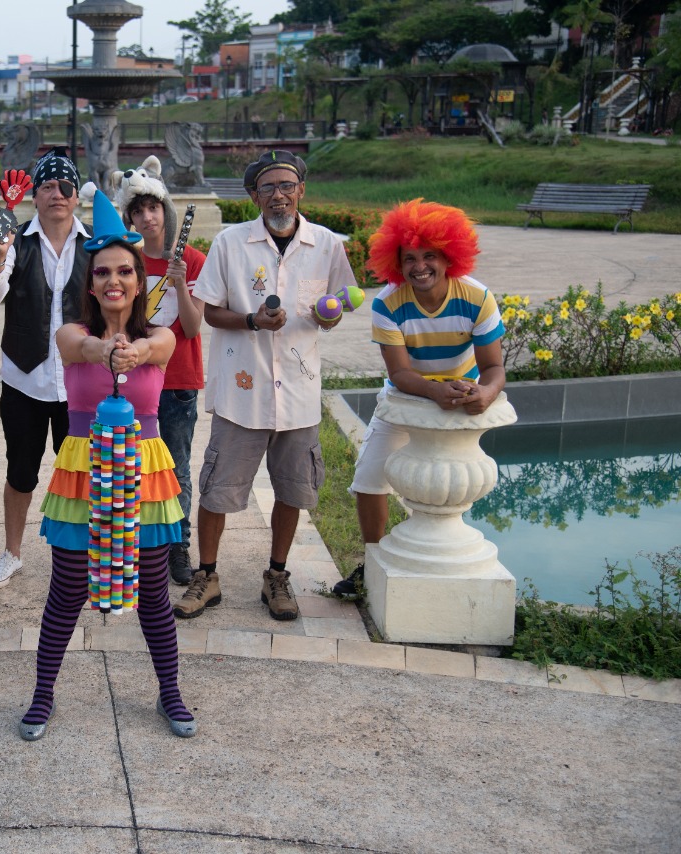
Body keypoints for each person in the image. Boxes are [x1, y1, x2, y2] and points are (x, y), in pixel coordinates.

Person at [19, 188, 195, 741]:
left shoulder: (159, 337)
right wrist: (107, 350)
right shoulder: (72, 334)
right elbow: (78, 347)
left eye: (124, 271)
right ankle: (42, 694)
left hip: (145, 473)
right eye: (102, 272)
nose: (113, 280)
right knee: (68, 588)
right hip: (85, 471)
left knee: (153, 590)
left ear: (140, 281)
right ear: (90, 283)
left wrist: (134, 351)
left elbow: (158, 348)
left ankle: (170, 692)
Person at [175, 150, 353, 622]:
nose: (279, 195)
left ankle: (276, 576)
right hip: (243, 392)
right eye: (268, 187)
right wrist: (253, 320)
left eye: (287, 185)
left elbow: (338, 302)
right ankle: (207, 576)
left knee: (292, 489)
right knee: (217, 488)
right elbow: (211, 311)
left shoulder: (326, 245)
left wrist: (329, 315)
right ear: (254, 196)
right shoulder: (231, 243)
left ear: (301, 191)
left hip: (298, 391)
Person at [333, 199, 505, 598]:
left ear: (449, 257)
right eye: (409, 258)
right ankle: (372, 564)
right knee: (369, 480)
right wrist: (433, 390)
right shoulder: (387, 302)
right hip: (405, 398)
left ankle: (441, 564)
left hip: (460, 399)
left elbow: (493, 367)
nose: (419, 266)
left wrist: (487, 392)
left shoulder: (478, 297)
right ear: (396, 263)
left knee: (447, 485)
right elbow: (399, 374)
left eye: (430, 256)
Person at [0, 147, 91, 590]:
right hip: (24, 379)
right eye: (47, 186)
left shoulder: (94, 242)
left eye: (65, 186)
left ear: (76, 196)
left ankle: (82, 556)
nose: (57, 194)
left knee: (81, 474)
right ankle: (12, 553)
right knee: (20, 472)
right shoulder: (14, 237)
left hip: (80, 383)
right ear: (34, 196)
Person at [118, 165, 207, 584]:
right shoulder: (127, 261)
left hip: (179, 381)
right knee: (129, 465)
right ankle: (133, 541)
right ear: (130, 218)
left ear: (165, 210)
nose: (147, 217)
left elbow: (191, 326)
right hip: (135, 378)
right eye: (138, 211)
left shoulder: (193, 259)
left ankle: (177, 545)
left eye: (153, 208)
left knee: (176, 468)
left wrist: (181, 284)